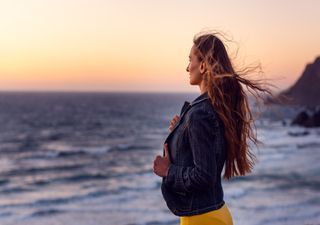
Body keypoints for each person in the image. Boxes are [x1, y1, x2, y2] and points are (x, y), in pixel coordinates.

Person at [153, 31, 270, 225]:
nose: (186, 67)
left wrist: (168, 171)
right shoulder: (214, 109)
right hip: (210, 213)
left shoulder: (200, 113)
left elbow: (204, 175)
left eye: (190, 60)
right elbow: (205, 155)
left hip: (203, 219)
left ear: (203, 65)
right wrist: (181, 133)